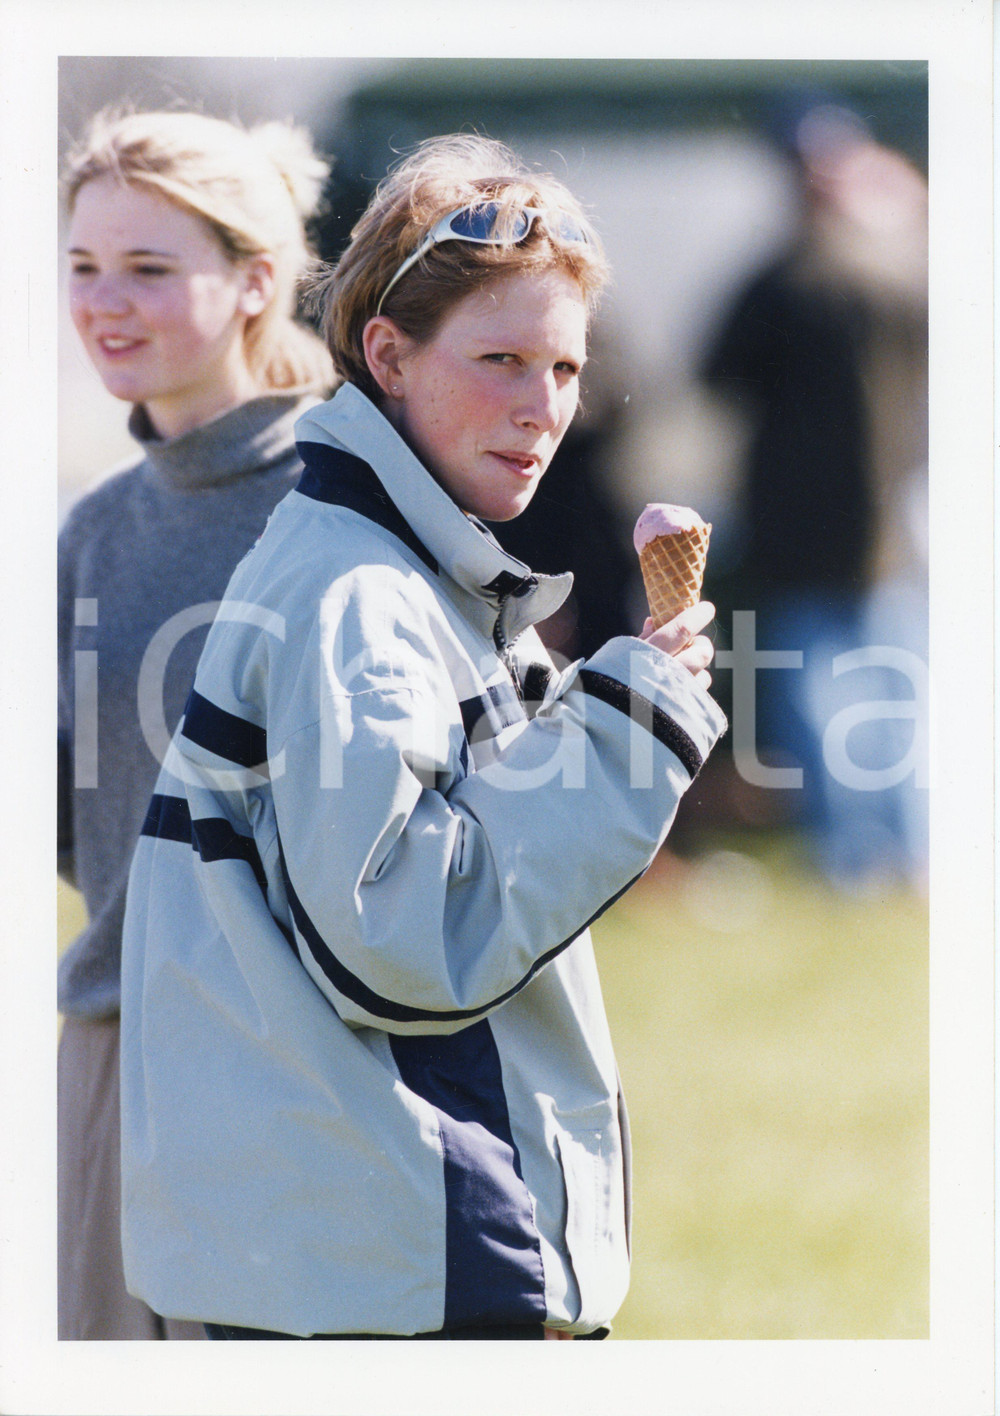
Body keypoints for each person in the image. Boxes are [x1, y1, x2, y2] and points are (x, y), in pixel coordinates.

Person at [118, 133, 727, 1340]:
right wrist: (625, 733)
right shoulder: (360, 591)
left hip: (347, 1239)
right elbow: (401, 938)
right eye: (500, 358)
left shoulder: (406, 567)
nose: (541, 406)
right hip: (392, 1254)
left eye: (564, 367)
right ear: (386, 355)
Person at [57, 107, 335, 1340]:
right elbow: (75, 809)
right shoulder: (91, 531)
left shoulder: (346, 505)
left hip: (304, 1067)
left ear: (254, 284)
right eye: (83, 269)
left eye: (150, 269)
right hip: (115, 1056)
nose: (105, 304)